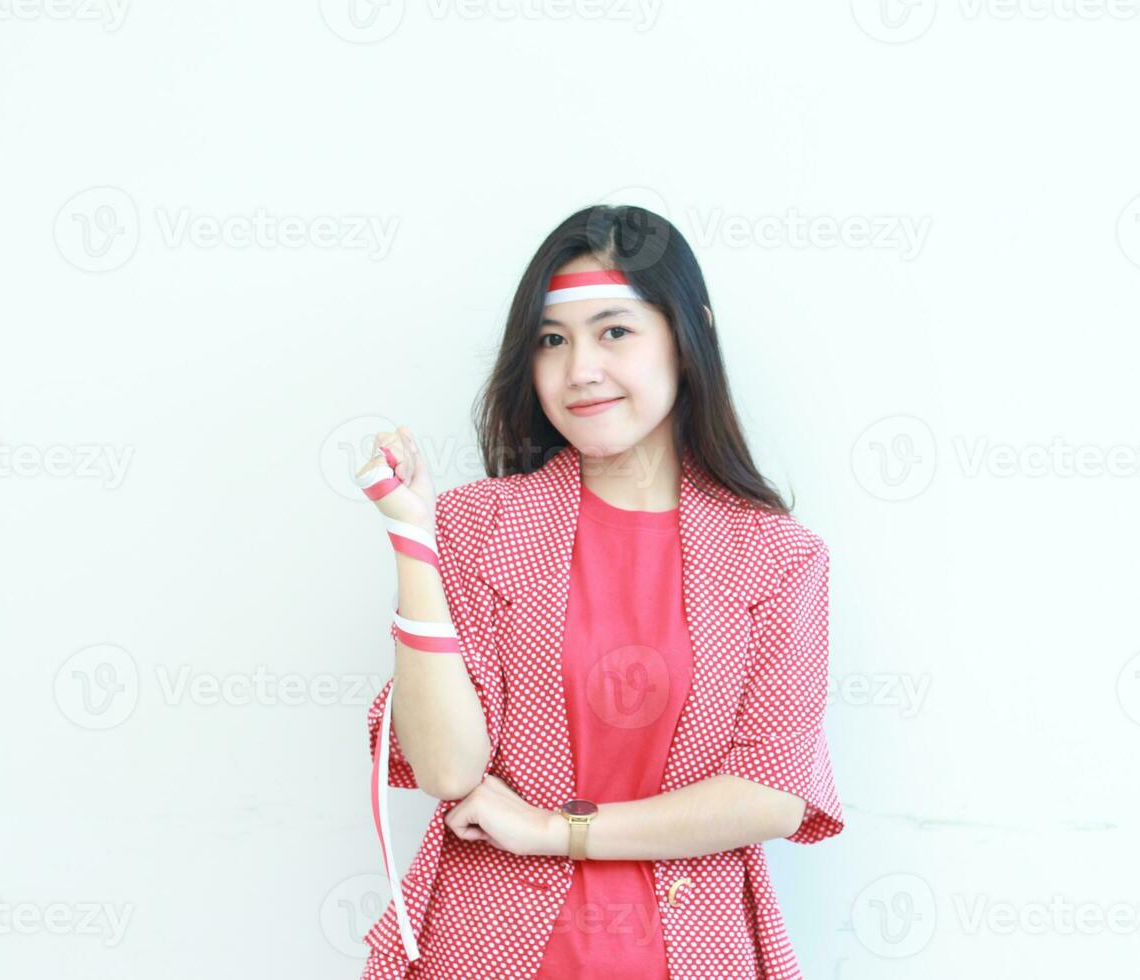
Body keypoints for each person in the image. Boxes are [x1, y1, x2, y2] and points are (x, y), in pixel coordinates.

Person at [353, 205, 843, 979]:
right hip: (486, 950)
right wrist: (416, 537)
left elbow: (770, 794)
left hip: (693, 954)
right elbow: (448, 769)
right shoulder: (478, 525)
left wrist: (555, 830)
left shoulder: (779, 558)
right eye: (553, 340)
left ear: (689, 337)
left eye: (615, 331)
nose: (580, 368)